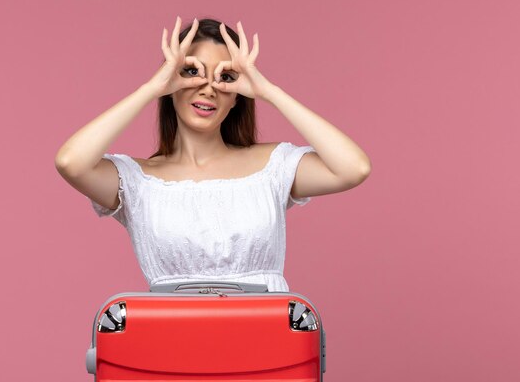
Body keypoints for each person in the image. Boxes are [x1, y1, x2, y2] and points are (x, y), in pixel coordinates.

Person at [55, 16, 372, 292]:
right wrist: (152, 87)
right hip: (173, 347)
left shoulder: (272, 166)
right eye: (192, 72)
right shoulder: (138, 181)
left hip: (268, 346)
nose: (208, 87)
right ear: (172, 84)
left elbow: (352, 168)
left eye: (226, 78)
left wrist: (267, 91)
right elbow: (71, 162)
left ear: (236, 97)